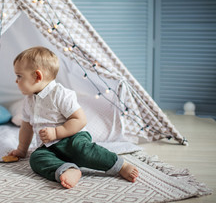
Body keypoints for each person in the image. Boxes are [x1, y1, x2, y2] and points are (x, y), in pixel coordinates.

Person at [9, 46, 138, 189]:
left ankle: (119, 165)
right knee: (36, 158)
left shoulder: (60, 94)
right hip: (48, 146)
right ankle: (67, 169)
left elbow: (80, 120)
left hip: (71, 138)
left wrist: (56, 132)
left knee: (82, 150)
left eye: (19, 76)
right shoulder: (29, 101)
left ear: (37, 76)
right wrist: (21, 149)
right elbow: (26, 126)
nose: (16, 81)